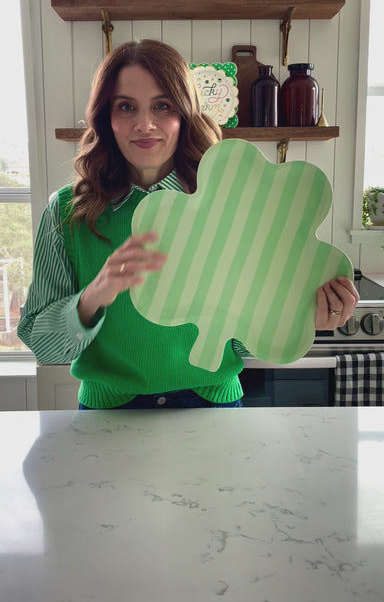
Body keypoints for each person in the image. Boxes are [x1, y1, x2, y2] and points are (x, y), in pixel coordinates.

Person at [18, 39, 359, 410]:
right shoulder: (67, 212)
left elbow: (242, 332)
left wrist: (300, 317)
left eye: (162, 106)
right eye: (126, 107)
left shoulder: (232, 203)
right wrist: (93, 296)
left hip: (213, 408)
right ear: (106, 117)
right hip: (109, 415)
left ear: (184, 114)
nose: (144, 124)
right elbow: (41, 342)